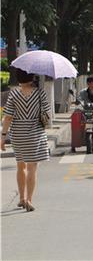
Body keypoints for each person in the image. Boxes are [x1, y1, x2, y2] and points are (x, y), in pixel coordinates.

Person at [1, 68, 51, 212]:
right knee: (32, 167)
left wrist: (3, 136)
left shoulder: (14, 94)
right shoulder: (40, 93)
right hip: (35, 133)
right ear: (31, 78)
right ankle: (29, 199)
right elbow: (47, 114)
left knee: (20, 166)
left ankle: (21, 198)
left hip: (18, 134)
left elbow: (8, 117)